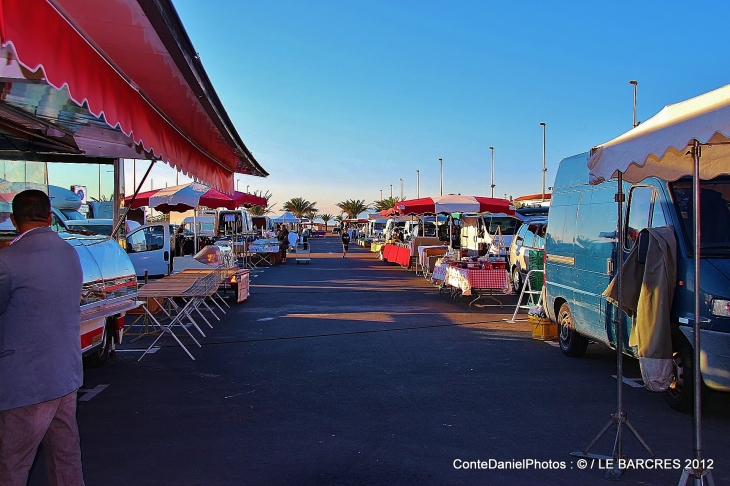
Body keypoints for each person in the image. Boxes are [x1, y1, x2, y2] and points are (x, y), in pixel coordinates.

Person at [0, 189, 85, 485]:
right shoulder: (70, 253)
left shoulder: (8, 259)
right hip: (65, 374)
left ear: (13, 219)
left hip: (26, 381)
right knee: (66, 457)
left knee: (12, 463)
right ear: (50, 217)